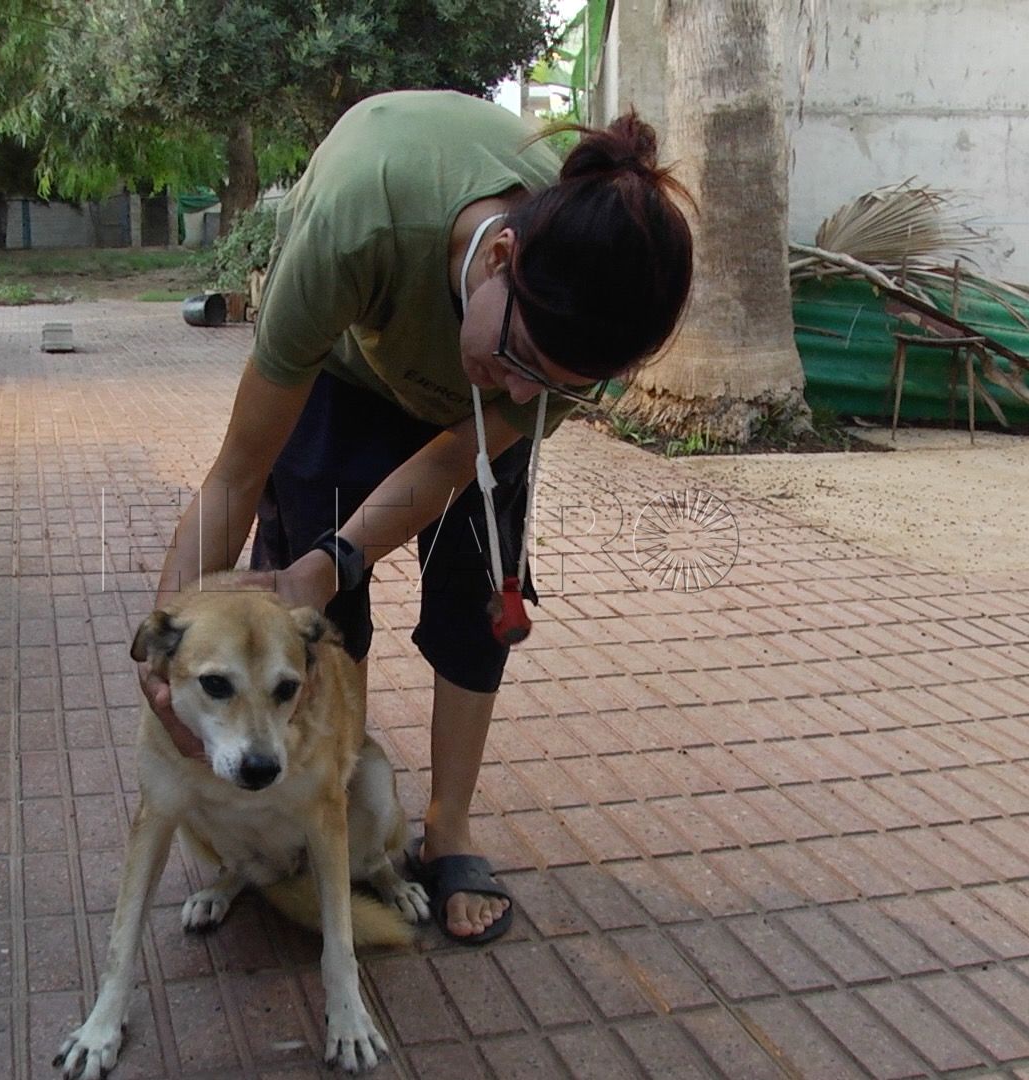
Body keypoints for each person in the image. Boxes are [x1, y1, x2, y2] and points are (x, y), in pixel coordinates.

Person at [138, 89, 695, 944]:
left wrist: (336, 556)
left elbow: (447, 464)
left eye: (555, 385)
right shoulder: (361, 219)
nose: (521, 393)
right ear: (500, 255)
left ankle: (450, 825)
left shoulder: (573, 336)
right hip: (347, 375)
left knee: (478, 602)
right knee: (316, 622)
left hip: (456, 425)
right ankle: (319, 795)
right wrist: (168, 636)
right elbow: (239, 469)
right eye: (521, 360)